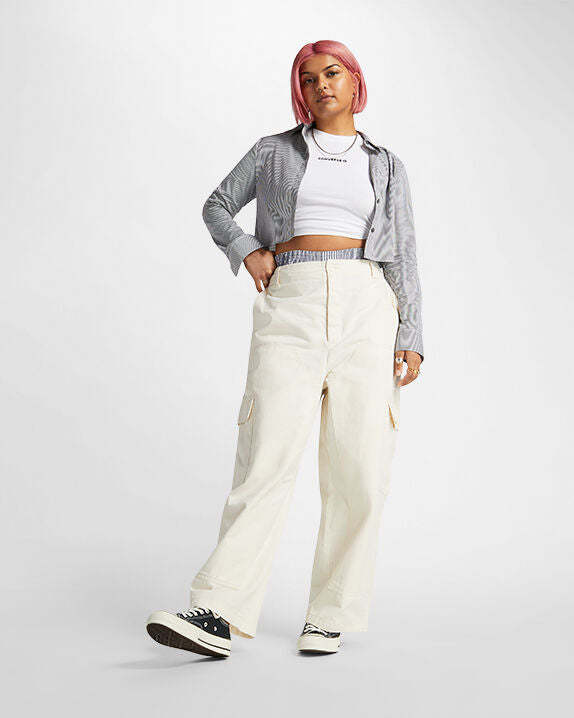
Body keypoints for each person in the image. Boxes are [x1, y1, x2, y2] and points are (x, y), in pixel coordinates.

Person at [146, 39, 424, 658]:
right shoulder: (273, 151)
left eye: (332, 73)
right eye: (308, 77)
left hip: (367, 303)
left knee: (360, 468)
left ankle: (330, 615)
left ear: (354, 81)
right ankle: (218, 610)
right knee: (266, 455)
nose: (321, 85)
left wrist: (411, 335)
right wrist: (246, 249)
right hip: (291, 295)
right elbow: (217, 205)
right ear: (299, 90)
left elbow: (403, 251)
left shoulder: (386, 165)